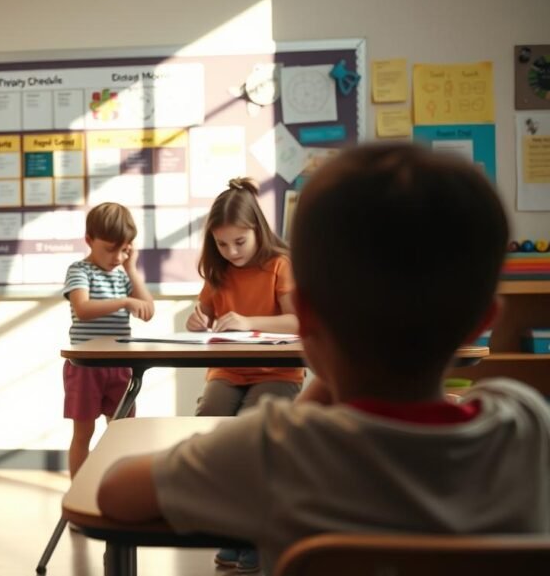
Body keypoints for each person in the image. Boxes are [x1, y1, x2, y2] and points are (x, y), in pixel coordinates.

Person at [96, 143, 550, 576]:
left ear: (306, 316)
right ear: (482, 322)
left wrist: (311, 396)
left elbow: (114, 492)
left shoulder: (275, 447)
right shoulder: (527, 423)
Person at [184, 178, 303, 570]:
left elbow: (299, 321)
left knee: (256, 429)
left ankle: (255, 533)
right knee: (212, 420)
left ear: (258, 231)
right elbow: (207, 316)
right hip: (230, 370)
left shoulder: (279, 264)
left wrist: (248, 320)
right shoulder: (218, 272)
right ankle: (231, 529)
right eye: (222, 244)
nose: (231, 252)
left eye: (240, 242)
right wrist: (198, 321)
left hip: (278, 370)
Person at [63, 202, 154, 477]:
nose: (117, 256)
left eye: (124, 249)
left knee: (122, 430)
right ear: (89, 240)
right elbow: (83, 309)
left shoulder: (123, 276)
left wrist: (132, 268)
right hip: (86, 367)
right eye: (110, 249)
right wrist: (124, 301)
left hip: (120, 366)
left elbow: (148, 310)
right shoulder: (80, 270)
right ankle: (79, 489)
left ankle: (117, 485)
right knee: (84, 432)